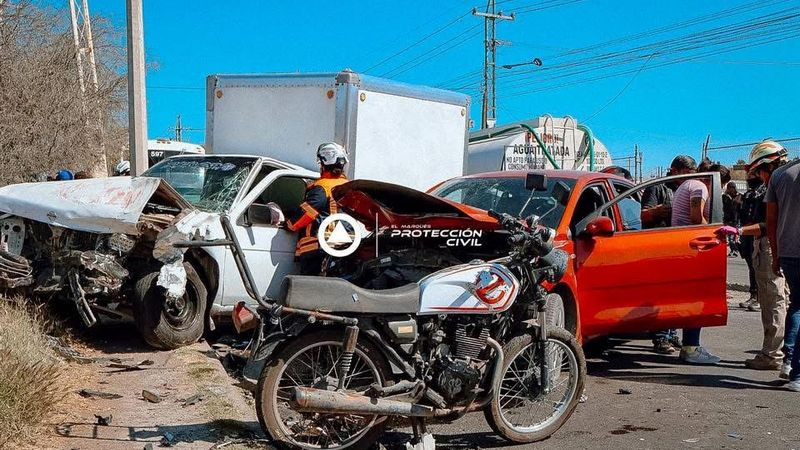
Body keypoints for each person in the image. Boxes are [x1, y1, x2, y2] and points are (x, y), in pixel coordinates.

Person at [717, 141, 790, 373]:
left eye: (759, 171)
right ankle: (786, 352)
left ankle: (772, 354)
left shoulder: (775, 186)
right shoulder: (787, 182)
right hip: (782, 247)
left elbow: (768, 225)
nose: (758, 175)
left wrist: (739, 231)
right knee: (783, 300)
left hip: (771, 247)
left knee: (774, 300)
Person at [669, 159, 730, 364]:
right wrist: (715, 234)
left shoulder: (686, 185)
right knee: (697, 299)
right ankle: (691, 347)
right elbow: (697, 218)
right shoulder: (699, 187)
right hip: (693, 249)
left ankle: (690, 344)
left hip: (682, 246)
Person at [644, 155, 697, 354]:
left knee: (675, 295)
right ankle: (660, 338)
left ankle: (671, 334)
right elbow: (644, 214)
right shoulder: (658, 187)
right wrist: (663, 211)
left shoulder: (684, 188)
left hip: (679, 248)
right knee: (661, 294)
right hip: (659, 245)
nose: (688, 178)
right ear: (674, 170)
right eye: (686, 173)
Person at [764, 146, 800, 390]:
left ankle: (788, 362)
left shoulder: (780, 175)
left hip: (788, 251)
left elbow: (771, 220)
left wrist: (776, 255)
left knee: (796, 305)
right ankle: (797, 374)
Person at [286, 142, 349, 275]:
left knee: (310, 289)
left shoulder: (322, 187)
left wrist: (289, 224)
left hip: (318, 249)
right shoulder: (349, 187)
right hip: (344, 248)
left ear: (323, 163)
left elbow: (307, 213)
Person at [737, 175, 763, 310]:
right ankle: (754, 295)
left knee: (757, 266)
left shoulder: (761, 192)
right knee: (751, 265)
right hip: (746, 233)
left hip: (756, 232)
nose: (749, 178)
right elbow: (742, 213)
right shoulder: (747, 194)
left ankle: (758, 297)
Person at [722, 181, 740, 257]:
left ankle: (735, 250)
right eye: (730, 188)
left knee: (732, 238)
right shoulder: (725, 197)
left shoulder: (738, 196)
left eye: (733, 188)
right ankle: (734, 250)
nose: (731, 190)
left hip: (735, 220)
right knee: (730, 238)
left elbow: (737, 208)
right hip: (727, 219)